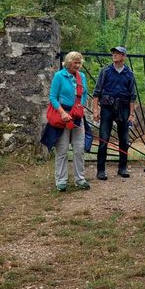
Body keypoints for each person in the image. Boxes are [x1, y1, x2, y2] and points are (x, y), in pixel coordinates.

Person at [92, 46, 137, 180]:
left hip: (123, 108)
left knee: (124, 140)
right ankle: (101, 170)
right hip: (107, 107)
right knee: (103, 139)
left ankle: (122, 168)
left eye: (117, 53)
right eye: (114, 53)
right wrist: (95, 109)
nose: (114, 55)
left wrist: (131, 114)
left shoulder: (130, 74)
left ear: (124, 56)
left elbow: (132, 96)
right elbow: (97, 92)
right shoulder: (105, 71)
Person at [49, 51, 90, 192]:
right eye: (75, 63)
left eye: (79, 63)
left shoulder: (82, 77)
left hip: (77, 116)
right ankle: (61, 181)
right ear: (68, 62)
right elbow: (53, 97)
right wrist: (62, 113)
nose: (78, 65)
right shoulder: (59, 76)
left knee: (79, 149)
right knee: (63, 150)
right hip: (63, 116)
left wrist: (81, 107)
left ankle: (80, 179)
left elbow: (84, 94)